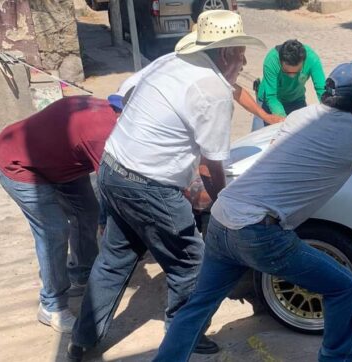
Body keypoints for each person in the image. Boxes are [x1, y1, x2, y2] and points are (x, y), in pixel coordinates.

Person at [154, 62, 352, 362]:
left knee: (198, 305)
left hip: (224, 216)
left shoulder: (302, 116)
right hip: (258, 231)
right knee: (344, 286)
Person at [66, 10, 265, 361]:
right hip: (149, 185)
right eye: (239, 53)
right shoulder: (214, 89)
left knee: (115, 258)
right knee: (191, 260)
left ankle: (82, 340)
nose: (243, 61)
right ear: (223, 54)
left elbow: (123, 95)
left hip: (113, 167)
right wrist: (223, 204)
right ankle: (182, 336)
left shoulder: (171, 60)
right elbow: (213, 162)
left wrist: (154, 137)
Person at [0, 96, 119, 333]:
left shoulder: (107, 108)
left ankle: (82, 273)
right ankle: (52, 305)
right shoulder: (101, 134)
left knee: (87, 212)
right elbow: (113, 187)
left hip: (60, 161)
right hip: (18, 163)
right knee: (54, 230)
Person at [251, 39, 325, 131]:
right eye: (287, 72)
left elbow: (322, 90)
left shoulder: (312, 59)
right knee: (259, 139)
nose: (292, 76)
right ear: (280, 61)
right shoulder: (271, 60)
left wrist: (329, 112)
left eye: (297, 72)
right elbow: (272, 97)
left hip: (296, 100)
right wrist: (283, 121)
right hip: (268, 100)